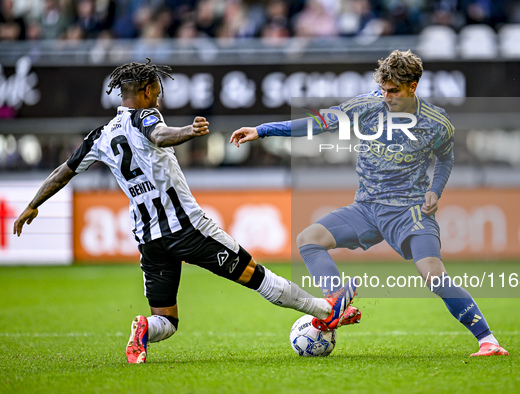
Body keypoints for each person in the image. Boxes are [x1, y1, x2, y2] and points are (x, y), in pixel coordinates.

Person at [12, 59, 360, 364]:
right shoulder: (146, 116)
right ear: (147, 91)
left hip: (149, 239)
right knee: (257, 276)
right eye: (158, 92)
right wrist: (188, 132)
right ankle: (325, 310)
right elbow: (160, 134)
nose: (159, 98)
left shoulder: (99, 137)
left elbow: (64, 171)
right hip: (188, 230)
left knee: (166, 320)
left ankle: (145, 329)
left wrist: (32, 205)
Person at [230, 49, 509, 357]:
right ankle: (337, 300)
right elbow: (318, 123)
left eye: (394, 91)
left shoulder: (436, 122)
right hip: (365, 208)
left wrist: (435, 190)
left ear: (412, 87)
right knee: (308, 240)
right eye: (384, 89)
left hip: (409, 210)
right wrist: (262, 130)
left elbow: (446, 158)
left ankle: (488, 341)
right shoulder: (366, 106)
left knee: (434, 275)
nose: (386, 96)